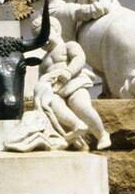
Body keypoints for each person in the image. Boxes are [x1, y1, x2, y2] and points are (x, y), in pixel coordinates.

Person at [32, 15, 110, 150]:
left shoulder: (69, 46)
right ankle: (77, 126)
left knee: (80, 105)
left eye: (45, 35)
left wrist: (68, 72)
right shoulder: (43, 60)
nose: (44, 41)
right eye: (40, 39)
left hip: (74, 84)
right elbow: (42, 78)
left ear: (56, 30)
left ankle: (102, 134)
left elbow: (79, 58)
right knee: (52, 105)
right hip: (56, 91)